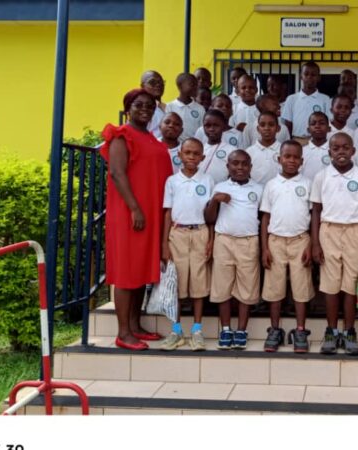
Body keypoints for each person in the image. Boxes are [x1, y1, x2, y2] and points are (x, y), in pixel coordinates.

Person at [100, 88, 173, 351]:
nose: (145, 109)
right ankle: (123, 333)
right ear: (128, 108)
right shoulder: (122, 135)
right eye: (139, 105)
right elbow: (117, 174)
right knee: (127, 271)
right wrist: (135, 208)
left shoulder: (151, 137)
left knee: (142, 271)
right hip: (132, 213)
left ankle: (135, 325)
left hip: (150, 213)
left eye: (150, 106)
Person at [310, 132, 358, 355]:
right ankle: (331, 331)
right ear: (329, 152)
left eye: (345, 147)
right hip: (329, 231)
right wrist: (316, 244)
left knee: (351, 284)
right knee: (331, 284)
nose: (341, 152)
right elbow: (316, 211)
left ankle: (349, 331)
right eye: (336, 148)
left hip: (355, 232)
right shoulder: (321, 177)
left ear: (353, 151)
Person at [159, 137, 215, 351]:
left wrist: (211, 239)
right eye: (187, 153)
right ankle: (176, 330)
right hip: (178, 233)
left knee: (199, 283)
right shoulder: (172, 181)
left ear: (202, 157)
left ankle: (197, 330)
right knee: (178, 283)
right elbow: (167, 212)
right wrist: (165, 243)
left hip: (200, 232)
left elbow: (211, 215)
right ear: (180, 155)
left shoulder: (207, 180)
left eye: (196, 154)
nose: (191, 157)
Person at [204, 150, 263, 350]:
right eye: (235, 164)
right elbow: (209, 218)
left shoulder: (259, 189)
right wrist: (215, 200)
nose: (239, 168)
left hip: (249, 241)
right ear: (227, 166)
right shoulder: (220, 187)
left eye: (244, 164)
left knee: (246, 288)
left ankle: (241, 330)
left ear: (250, 167)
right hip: (224, 241)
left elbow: (263, 219)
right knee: (223, 287)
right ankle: (226, 328)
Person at [259, 140, 315, 352]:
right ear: (279, 159)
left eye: (295, 157)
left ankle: (300, 330)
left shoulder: (307, 184)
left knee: (301, 288)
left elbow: (313, 215)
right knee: (275, 288)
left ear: (302, 160)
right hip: (275, 241)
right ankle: (275, 329)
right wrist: (264, 248)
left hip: (301, 240)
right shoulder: (272, 185)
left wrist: (311, 243)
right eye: (287, 157)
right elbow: (265, 217)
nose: (291, 161)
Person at [282, 62, 331, 143]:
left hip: (319, 142)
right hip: (297, 140)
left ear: (318, 77)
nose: (309, 77)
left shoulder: (325, 99)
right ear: (301, 76)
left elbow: (328, 123)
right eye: (306, 74)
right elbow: (288, 124)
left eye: (313, 75)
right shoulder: (291, 99)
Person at [199, 109, 238, 183]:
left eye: (216, 125)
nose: (211, 129)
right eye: (207, 125)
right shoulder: (199, 149)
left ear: (223, 127)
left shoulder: (232, 151)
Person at [165, 72, 205, 141]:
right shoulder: (170, 106)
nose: (196, 87)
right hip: (175, 145)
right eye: (192, 84)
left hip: (193, 147)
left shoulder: (200, 109)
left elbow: (202, 130)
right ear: (180, 86)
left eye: (197, 85)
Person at [245, 111, 282, 184]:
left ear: (278, 128)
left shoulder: (283, 150)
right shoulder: (249, 152)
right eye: (262, 125)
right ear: (258, 129)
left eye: (271, 125)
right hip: (256, 192)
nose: (266, 128)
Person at [300, 112, 331, 180]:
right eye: (313, 124)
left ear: (329, 129)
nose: (317, 126)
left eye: (322, 123)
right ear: (308, 130)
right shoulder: (302, 151)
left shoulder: (333, 151)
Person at [141, 70, 167, 138]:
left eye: (161, 82)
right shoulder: (141, 109)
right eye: (152, 82)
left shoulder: (166, 107)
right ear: (142, 86)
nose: (158, 85)